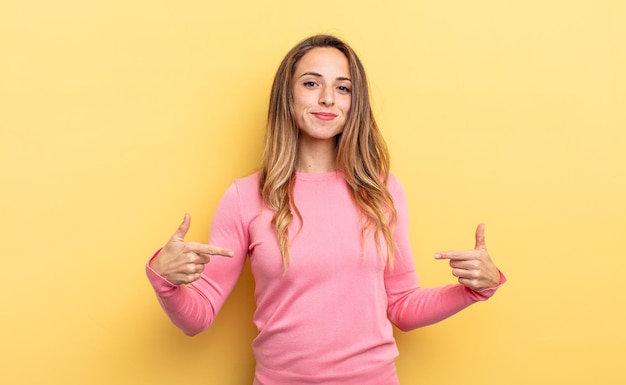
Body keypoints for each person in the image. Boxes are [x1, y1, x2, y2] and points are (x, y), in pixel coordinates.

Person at [146, 34, 506, 385]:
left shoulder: (382, 191)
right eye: (311, 83)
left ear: (354, 102)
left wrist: (473, 290)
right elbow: (199, 316)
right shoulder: (244, 197)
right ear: (287, 95)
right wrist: (165, 282)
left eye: (343, 87)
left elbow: (403, 306)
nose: (328, 98)